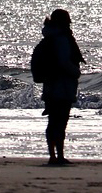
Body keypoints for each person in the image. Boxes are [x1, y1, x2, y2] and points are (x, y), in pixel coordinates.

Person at [39, 9, 85, 165]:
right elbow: (64, 62)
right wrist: (76, 72)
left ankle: (53, 155)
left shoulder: (50, 37)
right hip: (62, 86)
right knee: (60, 122)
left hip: (50, 86)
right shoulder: (62, 39)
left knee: (53, 121)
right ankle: (58, 155)